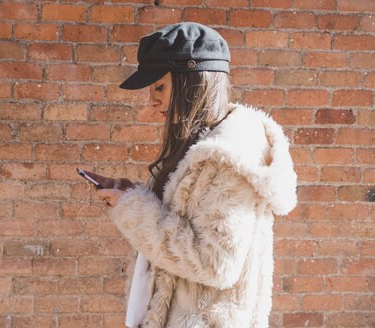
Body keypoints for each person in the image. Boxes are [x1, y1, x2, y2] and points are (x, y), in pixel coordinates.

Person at [95, 22, 297, 328]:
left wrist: (133, 211)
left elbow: (215, 263)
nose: (153, 100)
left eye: (159, 86)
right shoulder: (203, 141)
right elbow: (183, 220)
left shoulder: (230, 154)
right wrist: (132, 194)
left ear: (192, 81)